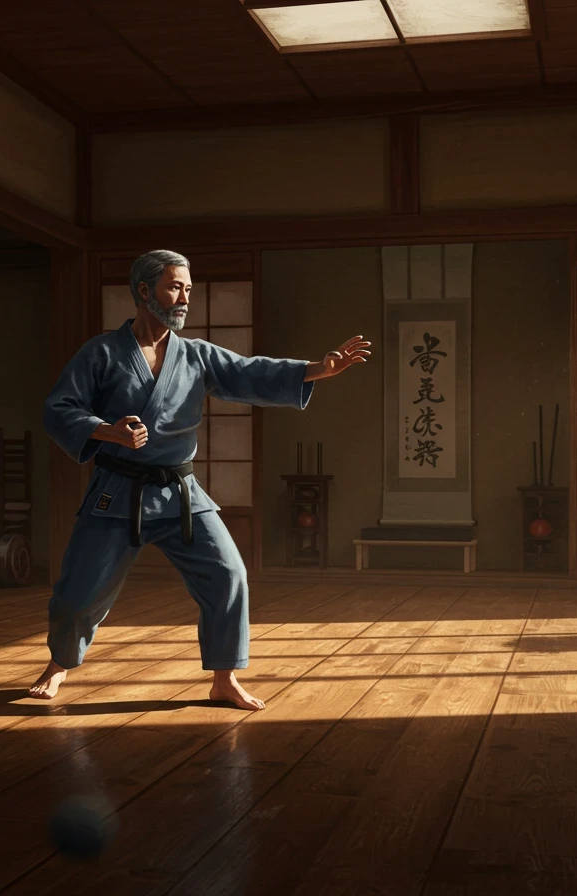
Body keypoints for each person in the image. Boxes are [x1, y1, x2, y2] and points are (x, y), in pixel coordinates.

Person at [29, 249, 369, 710]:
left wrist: (318, 370)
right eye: (175, 286)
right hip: (117, 489)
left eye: (188, 288)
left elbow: (251, 372)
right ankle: (59, 665)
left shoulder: (195, 355)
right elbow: (60, 408)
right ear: (144, 290)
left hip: (179, 493)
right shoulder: (102, 353)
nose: (184, 297)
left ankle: (223, 679)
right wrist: (108, 431)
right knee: (79, 589)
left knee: (228, 574)